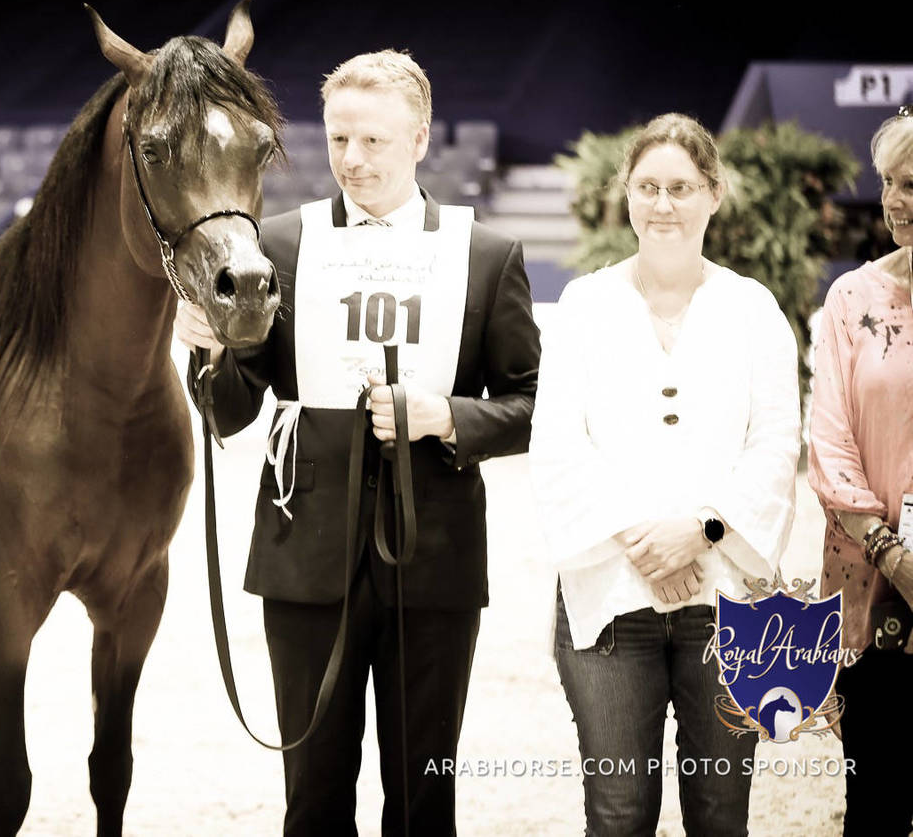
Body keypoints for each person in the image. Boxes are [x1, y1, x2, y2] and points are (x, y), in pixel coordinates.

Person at [177, 50, 541, 836]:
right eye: (339, 138)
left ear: (419, 139)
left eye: (373, 140)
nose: (352, 158)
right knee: (312, 798)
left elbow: (530, 403)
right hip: (304, 559)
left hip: (434, 559)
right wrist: (206, 349)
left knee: (422, 798)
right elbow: (233, 413)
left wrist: (445, 417)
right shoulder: (276, 246)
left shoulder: (486, 255)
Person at [528, 113, 800, 835]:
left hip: (728, 605)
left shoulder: (754, 310)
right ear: (626, 194)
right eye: (647, 186)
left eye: (681, 187)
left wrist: (701, 533)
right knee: (617, 815)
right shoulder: (584, 306)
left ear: (713, 194)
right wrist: (642, 541)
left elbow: (776, 446)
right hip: (610, 600)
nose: (663, 203)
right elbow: (557, 443)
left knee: (719, 814)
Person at [806, 106, 913, 837]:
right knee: (874, 805)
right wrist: (895, 555)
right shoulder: (852, 299)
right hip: (873, 586)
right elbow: (831, 446)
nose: (895, 201)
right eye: (888, 182)